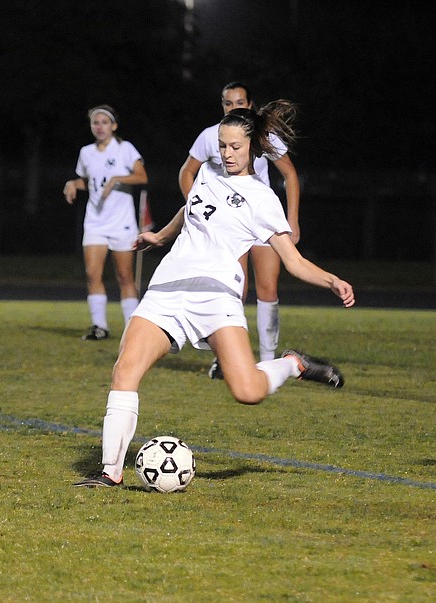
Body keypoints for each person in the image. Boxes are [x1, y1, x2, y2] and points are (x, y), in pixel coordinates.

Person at [74, 100, 354, 488]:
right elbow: (191, 209)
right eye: (222, 145)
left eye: (235, 147)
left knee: (247, 391)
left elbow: (293, 261)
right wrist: (159, 236)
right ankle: (110, 473)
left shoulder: (262, 199)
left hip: (217, 297)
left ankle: (294, 364)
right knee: (124, 370)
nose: (226, 153)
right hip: (168, 289)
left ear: (253, 147)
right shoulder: (207, 172)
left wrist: (332, 280)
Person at [179, 82, 301, 373]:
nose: (233, 108)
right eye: (227, 103)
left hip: (259, 218)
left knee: (268, 289)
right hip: (227, 224)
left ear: (250, 104)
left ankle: (268, 359)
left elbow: (290, 175)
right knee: (233, 290)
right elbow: (187, 172)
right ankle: (227, 358)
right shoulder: (211, 135)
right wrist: (198, 206)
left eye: (239, 102)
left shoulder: (262, 136)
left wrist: (293, 220)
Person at [63, 105, 148, 341]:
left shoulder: (125, 149)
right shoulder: (86, 152)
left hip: (122, 222)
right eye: (95, 123)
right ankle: (99, 326)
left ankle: (133, 329)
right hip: (95, 222)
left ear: (114, 126)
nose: (99, 126)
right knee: (92, 274)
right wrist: (73, 183)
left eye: (104, 122)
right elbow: (90, 182)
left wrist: (117, 178)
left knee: (124, 277)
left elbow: (142, 176)